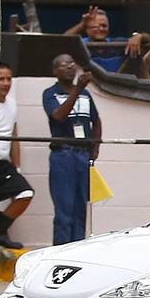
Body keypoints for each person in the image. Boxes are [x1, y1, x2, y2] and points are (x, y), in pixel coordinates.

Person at [43, 54, 101, 245]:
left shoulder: (86, 94)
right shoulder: (50, 93)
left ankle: (76, 252)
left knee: (80, 212)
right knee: (64, 212)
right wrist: (78, 88)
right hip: (63, 156)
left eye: (71, 63)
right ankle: (59, 253)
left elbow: (96, 120)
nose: (69, 66)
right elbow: (59, 116)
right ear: (55, 71)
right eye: (63, 64)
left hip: (82, 156)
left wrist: (95, 146)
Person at [0, 64, 33, 250]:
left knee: (25, 193)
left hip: (3, 164)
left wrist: (17, 166)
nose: (5, 83)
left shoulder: (12, 103)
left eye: (9, 79)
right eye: (1, 79)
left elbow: (14, 136)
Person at [63, 6, 148, 74]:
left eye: (104, 26)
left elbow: (149, 40)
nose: (100, 29)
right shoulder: (80, 44)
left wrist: (138, 36)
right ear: (86, 29)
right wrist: (82, 24)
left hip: (116, 87)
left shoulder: (117, 43)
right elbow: (64, 41)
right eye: (95, 26)